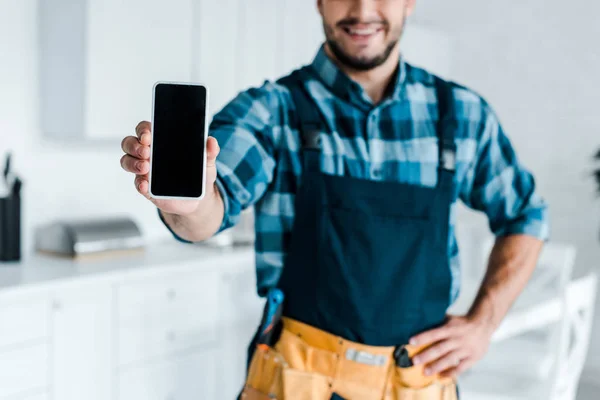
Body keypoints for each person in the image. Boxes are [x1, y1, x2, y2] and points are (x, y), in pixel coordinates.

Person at [120, 0, 549, 398]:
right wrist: (187, 206)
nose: (362, 11)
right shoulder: (271, 109)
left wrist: (483, 323)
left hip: (417, 383)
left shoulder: (461, 115)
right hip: (297, 380)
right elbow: (209, 209)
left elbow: (524, 215)